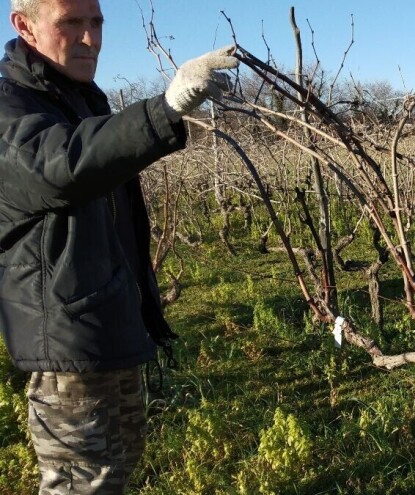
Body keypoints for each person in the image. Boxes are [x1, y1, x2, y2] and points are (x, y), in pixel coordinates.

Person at [0, 0, 238, 492]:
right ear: (24, 26)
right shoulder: (10, 104)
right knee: (80, 483)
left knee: (114, 473)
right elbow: (62, 165)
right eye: (70, 23)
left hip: (107, 327)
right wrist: (165, 107)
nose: (90, 38)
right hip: (69, 347)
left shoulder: (82, 99)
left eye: (96, 22)